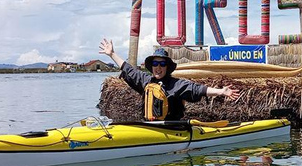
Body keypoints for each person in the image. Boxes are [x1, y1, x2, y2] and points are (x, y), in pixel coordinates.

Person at [99, 38, 239, 121]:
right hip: (150, 126)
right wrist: (112, 54)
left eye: (162, 64)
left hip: (173, 129)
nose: (158, 67)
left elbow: (198, 89)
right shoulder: (146, 80)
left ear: (167, 67)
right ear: (151, 66)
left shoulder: (176, 84)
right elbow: (128, 69)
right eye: (155, 64)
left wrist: (221, 92)